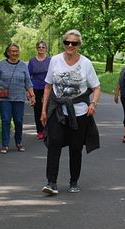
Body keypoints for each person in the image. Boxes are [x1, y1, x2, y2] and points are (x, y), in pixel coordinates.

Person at [40, 30, 101, 195]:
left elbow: (96, 87)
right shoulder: (55, 60)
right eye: (67, 42)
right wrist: (44, 110)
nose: (70, 46)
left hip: (79, 112)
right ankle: (51, 183)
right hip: (58, 110)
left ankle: (74, 181)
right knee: (54, 144)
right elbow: (47, 86)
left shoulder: (86, 63)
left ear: (79, 45)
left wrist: (93, 104)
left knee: (75, 148)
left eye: (74, 43)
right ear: (63, 43)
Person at [0, 43, 35, 153]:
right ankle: (5, 145)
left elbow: (28, 82)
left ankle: (19, 142)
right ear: (8, 53)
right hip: (4, 98)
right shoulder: (1, 65)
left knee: (18, 121)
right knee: (5, 120)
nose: (14, 53)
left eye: (16, 51)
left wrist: (32, 95)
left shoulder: (23, 66)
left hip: (19, 98)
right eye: (12, 51)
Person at [28, 40, 50, 140]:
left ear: (46, 49)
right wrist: (29, 92)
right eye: (39, 47)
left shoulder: (50, 60)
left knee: (47, 109)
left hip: (47, 88)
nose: (41, 49)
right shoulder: (32, 61)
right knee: (37, 110)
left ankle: (47, 130)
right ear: (37, 49)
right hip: (36, 88)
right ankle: (40, 131)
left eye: (43, 47)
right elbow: (28, 76)